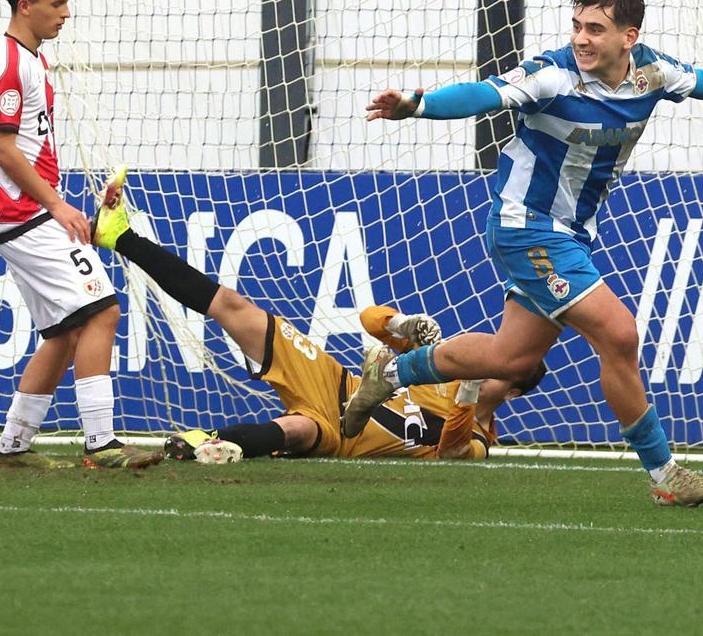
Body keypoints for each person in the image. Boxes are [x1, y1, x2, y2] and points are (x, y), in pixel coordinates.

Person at [342, 0, 703, 506]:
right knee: (619, 334)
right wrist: (418, 103)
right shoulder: (552, 76)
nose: (581, 38)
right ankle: (665, 475)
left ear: (628, 37)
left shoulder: (651, 74)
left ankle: (391, 371)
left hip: (571, 234)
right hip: (526, 226)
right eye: (576, 26)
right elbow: (484, 94)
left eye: (595, 28)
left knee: (510, 360)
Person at [89, 172, 545, 463]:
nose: (486, 361)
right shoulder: (444, 364)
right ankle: (121, 236)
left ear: (513, 386)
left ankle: (200, 442)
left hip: (341, 437)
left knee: (299, 430)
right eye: (488, 353)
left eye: (497, 365)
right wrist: (401, 325)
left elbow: (451, 453)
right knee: (233, 307)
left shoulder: (480, 439)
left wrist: (468, 387)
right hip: (334, 383)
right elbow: (369, 319)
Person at [0, 0, 162, 470]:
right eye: (57, 4)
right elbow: (3, 146)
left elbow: (30, 147)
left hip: (19, 214)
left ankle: (11, 447)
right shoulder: (9, 65)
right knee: (102, 311)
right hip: (26, 215)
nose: (66, 14)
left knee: (62, 332)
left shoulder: (32, 59)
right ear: (26, 6)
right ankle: (101, 445)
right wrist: (56, 204)